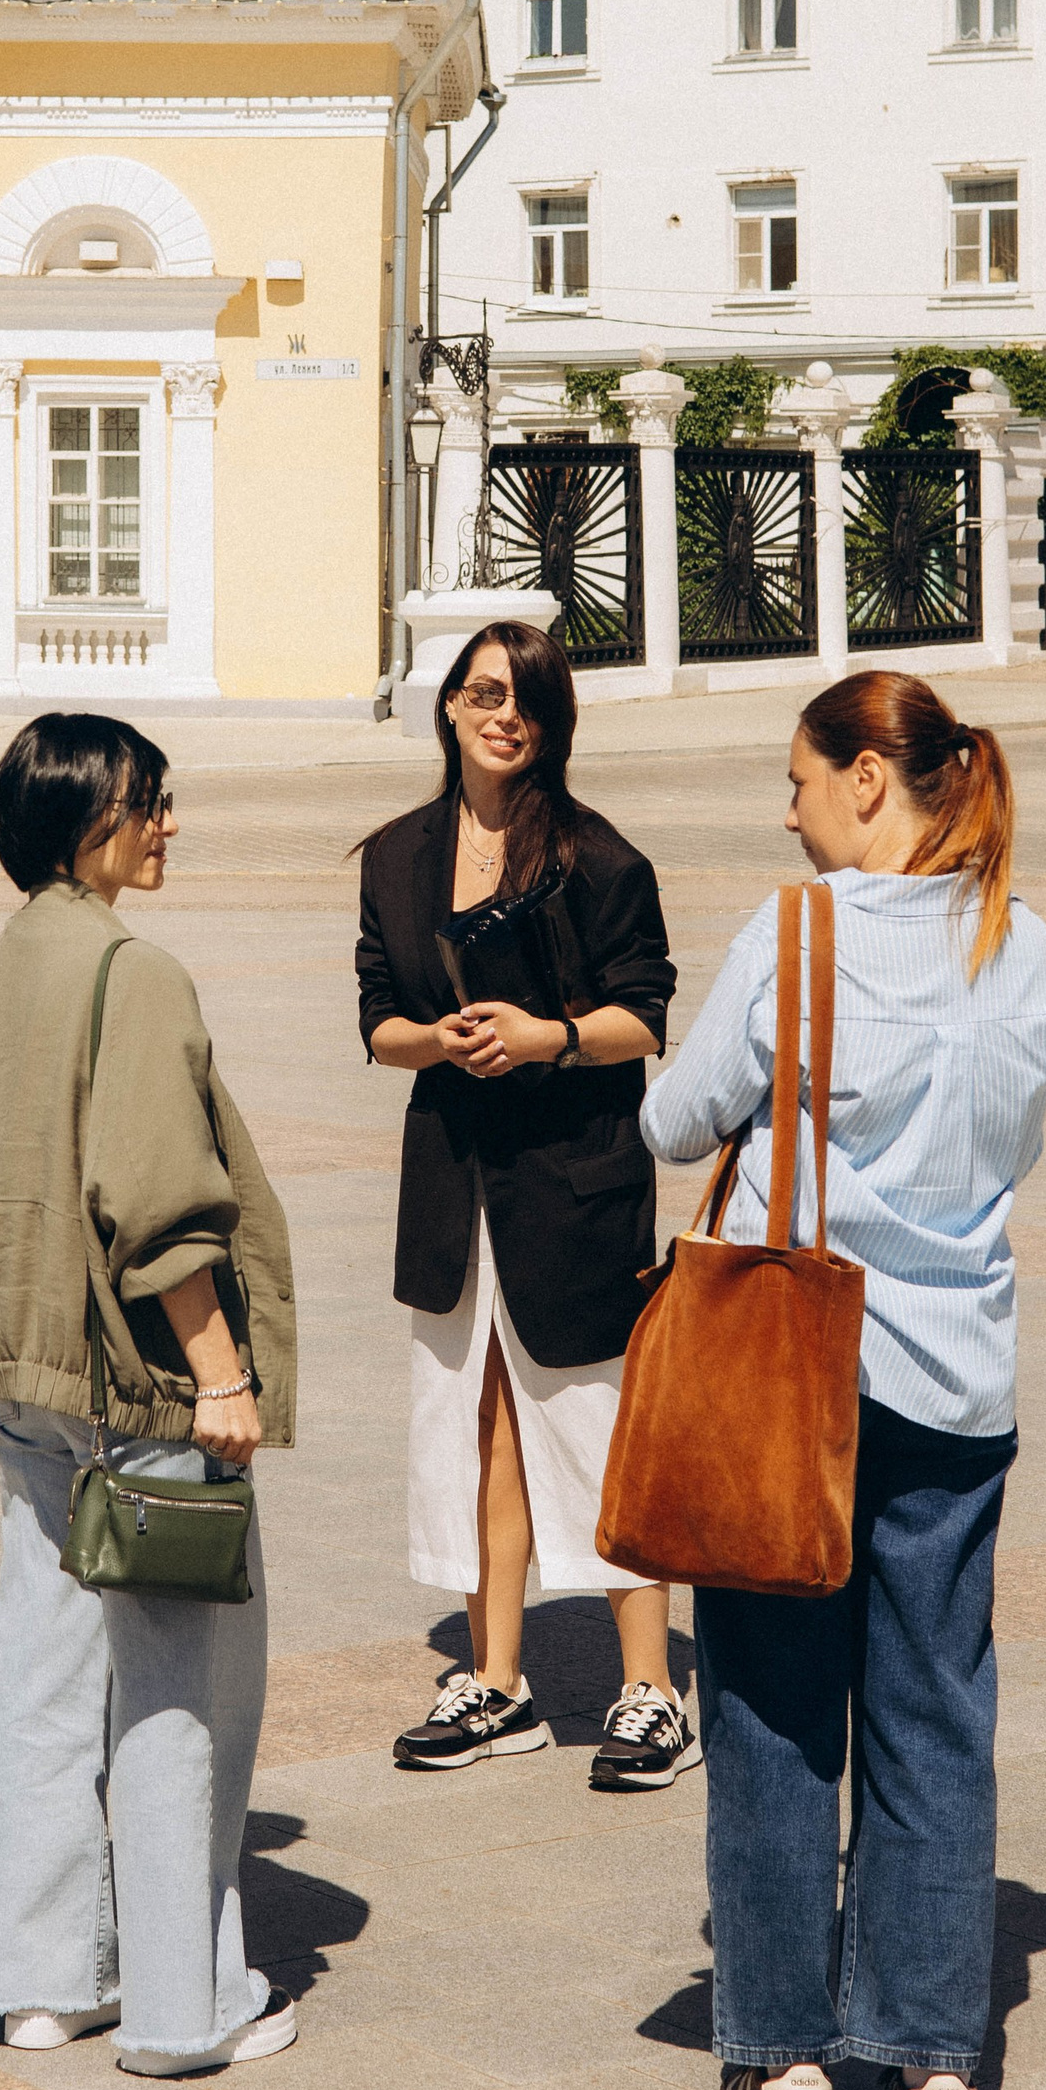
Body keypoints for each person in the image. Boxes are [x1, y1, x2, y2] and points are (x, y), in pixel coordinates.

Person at [641, 670, 1046, 2090]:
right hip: (958, 1377)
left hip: (794, 1378)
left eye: (801, 778)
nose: (790, 809)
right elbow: (1006, 1143)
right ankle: (937, 2066)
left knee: (772, 1715)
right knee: (936, 1714)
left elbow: (674, 1117)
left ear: (869, 780)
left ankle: (787, 2057)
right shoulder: (1023, 943)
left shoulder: (798, 931)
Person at [0, 714, 300, 2076]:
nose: (167, 823)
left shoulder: (10, 960)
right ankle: (180, 2005)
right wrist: (222, 1375)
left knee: (43, 1681)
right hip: (136, 1386)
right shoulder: (129, 970)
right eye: (149, 802)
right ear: (90, 817)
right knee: (179, 1692)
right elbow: (157, 1206)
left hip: (31, 1377)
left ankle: (42, 1983)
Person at [356, 619, 687, 1789]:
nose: (505, 715)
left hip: (573, 1180)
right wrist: (436, 1040)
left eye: (528, 700)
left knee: (597, 1426)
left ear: (553, 725)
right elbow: (377, 1019)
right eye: (486, 692)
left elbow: (645, 1014)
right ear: (448, 703)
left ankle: (652, 1689)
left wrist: (546, 1035)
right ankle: (497, 1682)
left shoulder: (599, 858)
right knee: (475, 1422)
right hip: (453, 1183)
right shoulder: (395, 854)